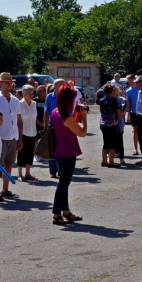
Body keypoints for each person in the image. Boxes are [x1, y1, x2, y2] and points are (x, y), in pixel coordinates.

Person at [50, 85, 87, 225]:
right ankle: (56, 214)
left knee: (64, 183)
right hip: (67, 151)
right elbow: (82, 133)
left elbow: (68, 122)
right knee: (63, 184)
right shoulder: (66, 117)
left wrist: (76, 113)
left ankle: (65, 211)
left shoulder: (56, 112)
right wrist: (84, 117)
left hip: (60, 150)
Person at [0, 72, 22, 199]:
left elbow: (19, 120)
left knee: (8, 164)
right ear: (0, 83)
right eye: (6, 82)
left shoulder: (16, 100)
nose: (8, 84)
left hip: (12, 137)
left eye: (10, 82)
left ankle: (5, 190)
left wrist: (20, 139)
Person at [17, 85, 40, 181]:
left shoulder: (34, 103)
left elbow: (35, 118)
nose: (32, 95)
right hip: (23, 132)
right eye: (29, 93)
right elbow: (17, 120)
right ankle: (20, 175)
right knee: (21, 153)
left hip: (33, 132)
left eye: (32, 93)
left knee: (30, 153)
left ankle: (28, 173)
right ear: (24, 94)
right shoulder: (19, 104)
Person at [44, 79, 65, 177]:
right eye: (61, 85)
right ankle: (53, 171)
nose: (63, 86)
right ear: (55, 86)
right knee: (51, 148)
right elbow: (46, 111)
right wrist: (45, 125)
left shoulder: (66, 96)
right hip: (52, 125)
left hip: (64, 125)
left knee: (62, 148)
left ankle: (61, 170)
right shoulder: (49, 97)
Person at [125, 76, 141, 155]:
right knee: (135, 131)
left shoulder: (140, 88)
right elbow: (129, 103)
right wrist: (129, 115)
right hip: (133, 112)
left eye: (132, 80)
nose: (131, 82)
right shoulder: (128, 91)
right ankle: (136, 149)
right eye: (130, 80)